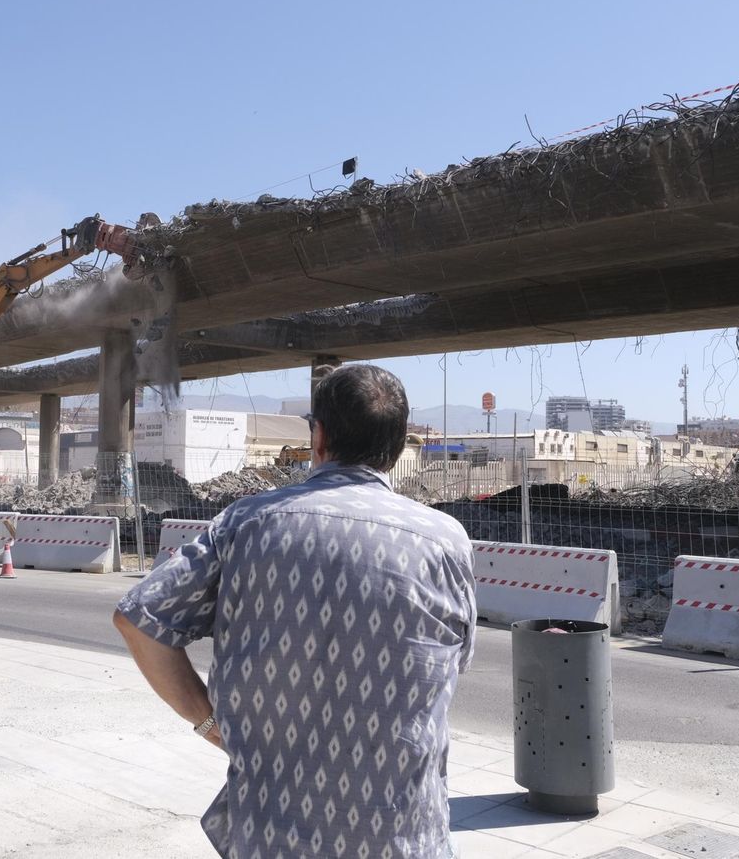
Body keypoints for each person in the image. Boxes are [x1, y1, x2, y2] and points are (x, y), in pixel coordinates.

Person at [113, 364, 476, 858]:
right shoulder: (445, 541)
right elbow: (453, 663)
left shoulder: (246, 521)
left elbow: (139, 620)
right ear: (397, 448)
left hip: (271, 832)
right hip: (402, 835)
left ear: (319, 436)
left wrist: (206, 720)